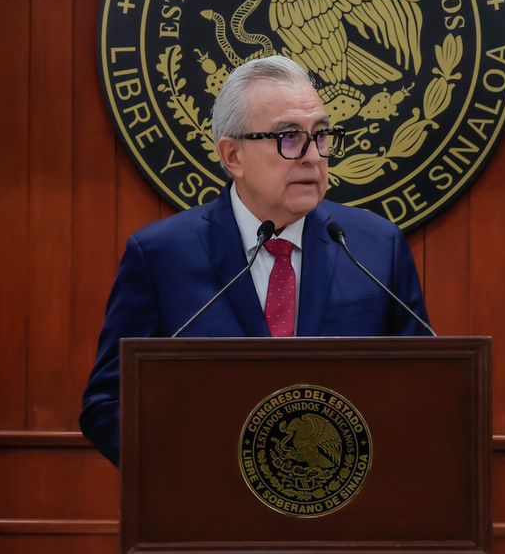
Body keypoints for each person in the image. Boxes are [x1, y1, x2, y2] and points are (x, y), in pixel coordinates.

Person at [80, 55, 431, 465]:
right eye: (288, 138)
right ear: (232, 156)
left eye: (320, 135)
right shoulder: (161, 258)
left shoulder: (374, 247)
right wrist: (187, 467)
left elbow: (423, 389)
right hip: (211, 510)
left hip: (342, 506)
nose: (313, 157)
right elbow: (107, 403)